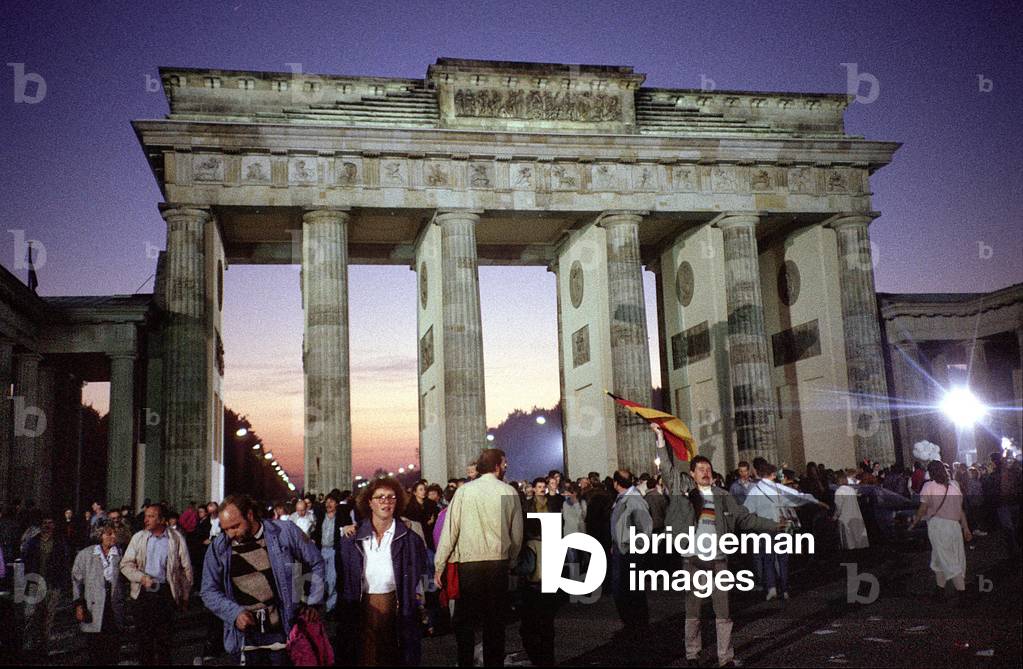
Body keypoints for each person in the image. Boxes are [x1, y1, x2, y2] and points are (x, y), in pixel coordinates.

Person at [202, 494, 326, 665]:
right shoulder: (219, 548)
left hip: (282, 631)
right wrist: (234, 613)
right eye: (226, 529)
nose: (230, 534)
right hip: (244, 638)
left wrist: (312, 602)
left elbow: (316, 562)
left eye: (235, 526)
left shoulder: (285, 532)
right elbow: (208, 591)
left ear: (250, 515)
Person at [434, 448, 523, 667]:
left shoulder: (464, 492)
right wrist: (511, 560)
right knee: (495, 623)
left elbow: (450, 530)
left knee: (466, 622)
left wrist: (440, 563)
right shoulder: (508, 492)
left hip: (469, 565)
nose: (506, 467)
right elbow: (517, 533)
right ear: (496, 466)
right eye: (504, 463)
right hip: (497, 564)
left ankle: (465, 662)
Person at [336, 478, 428, 666]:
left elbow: (421, 575)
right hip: (362, 609)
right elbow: (343, 579)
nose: (386, 501)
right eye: (380, 497)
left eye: (391, 497)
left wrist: (419, 603)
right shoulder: (351, 538)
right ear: (369, 502)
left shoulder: (411, 539)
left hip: (397, 610)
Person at [742, 461, 827, 600]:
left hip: (765, 527)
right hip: (781, 526)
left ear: (759, 474)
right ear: (773, 474)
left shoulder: (755, 490)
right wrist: (816, 501)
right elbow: (797, 496)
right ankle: (785, 588)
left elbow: (747, 510)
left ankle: (772, 588)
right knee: (783, 559)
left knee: (768, 559)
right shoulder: (778, 488)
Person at [120, 503, 192, 665]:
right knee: (144, 642)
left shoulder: (175, 538)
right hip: (143, 594)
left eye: (151, 516)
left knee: (164, 642)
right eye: (146, 516)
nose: (146, 520)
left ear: (162, 520)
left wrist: (185, 595)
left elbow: (185, 569)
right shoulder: (138, 537)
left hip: (165, 593)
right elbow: (125, 565)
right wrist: (141, 577)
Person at [909, 460, 972, 601]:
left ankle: (963, 594)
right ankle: (939, 590)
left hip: (938, 525)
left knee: (948, 559)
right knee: (940, 558)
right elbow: (960, 510)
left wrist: (914, 522)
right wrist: (966, 528)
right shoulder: (954, 485)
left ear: (930, 472)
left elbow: (923, 509)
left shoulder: (929, 486)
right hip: (955, 526)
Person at [72, 522, 126, 665]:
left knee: (113, 648)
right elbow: (77, 581)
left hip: (113, 607)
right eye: (109, 533)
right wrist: (78, 604)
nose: (113, 536)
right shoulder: (86, 554)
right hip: (93, 607)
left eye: (115, 533)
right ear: (100, 535)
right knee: (95, 648)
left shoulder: (120, 554)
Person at [22, 515, 71, 658]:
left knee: (49, 616)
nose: (47, 525)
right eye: (45, 523)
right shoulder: (33, 542)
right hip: (34, 582)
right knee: (30, 614)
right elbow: (26, 559)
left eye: (50, 522)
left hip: (52, 583)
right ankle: (28, 644)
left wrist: (63, 582)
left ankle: (44, 645)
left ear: (54, 525)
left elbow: (64, 563)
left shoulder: (59, 543)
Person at [834, 470, 869, 550]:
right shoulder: (851, 490)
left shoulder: (839, 491)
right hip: (856, 517)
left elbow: (838, 508)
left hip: (845, 520)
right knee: (858, 539)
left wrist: (835, 517)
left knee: (849, 542)